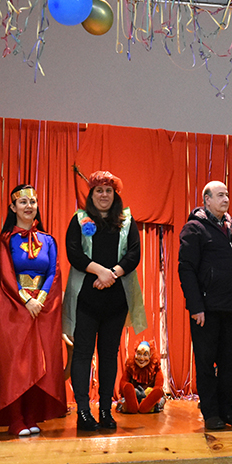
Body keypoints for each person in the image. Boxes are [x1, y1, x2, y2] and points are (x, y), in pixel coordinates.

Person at [0, 185, 67, 436]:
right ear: (13, 207)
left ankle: (31, 415)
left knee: (40, 362)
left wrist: (41, 299)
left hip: (42, 308)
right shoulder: (6, 240)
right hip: (14, 308)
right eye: (23, 202)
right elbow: (4, 275)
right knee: (16, 363)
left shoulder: (48, 240)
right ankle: (15, 418)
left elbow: (54, 272)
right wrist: (26, 301)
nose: (29, 206)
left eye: (33, 202)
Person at [64, 171, 146, 432]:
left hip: (116, 302)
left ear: (115, 195)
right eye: (99, 190)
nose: (103, 195)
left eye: (108, 191)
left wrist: (113, 274)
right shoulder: (79, 220)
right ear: (91, 194)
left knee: (109, 356)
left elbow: (134, 254)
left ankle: (105, 411)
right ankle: (83, 411)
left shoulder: (127, 221)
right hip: (86, 301)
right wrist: (100, 272)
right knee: (82, 355)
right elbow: (74, 253)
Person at [178, 181, 232, 430]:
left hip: (231, 308)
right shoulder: (194, 228)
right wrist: (195, 306)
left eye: (227, 195)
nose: (226, 199)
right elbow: (186, 269)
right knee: (206, 363)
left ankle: (226, 410)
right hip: (206, 310)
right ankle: (211, 413)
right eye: (220, 195)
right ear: (206, 200)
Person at [117, 341, 166, 414]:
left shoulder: (155, 368)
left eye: (145, 355)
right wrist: (127, 389)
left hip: (148, 394)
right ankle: (132, 406)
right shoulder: (131, 367)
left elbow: (159, 385)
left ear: (150, 356)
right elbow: (123, 382)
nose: (142, 358)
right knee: (124, 399)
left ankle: (147, 405)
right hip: (135, 394)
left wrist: (153, 392)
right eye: (139, 354)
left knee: (160, 400)